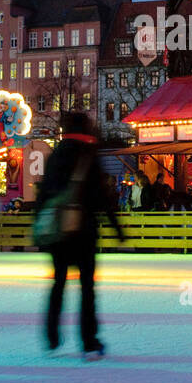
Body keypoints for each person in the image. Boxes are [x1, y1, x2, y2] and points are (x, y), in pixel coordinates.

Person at [38, 112, 127, 359]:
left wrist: (41, 227)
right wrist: (116, 227)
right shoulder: (88, 155)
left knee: (59, 283)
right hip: (84, 231)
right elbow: (101, 195)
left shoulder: (55, 155)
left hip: (58, 233)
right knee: (87, 287)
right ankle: (88, 341)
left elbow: (44, 193)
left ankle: (52, 336)